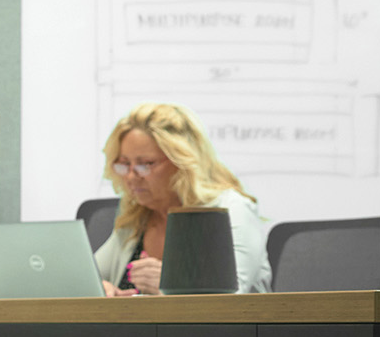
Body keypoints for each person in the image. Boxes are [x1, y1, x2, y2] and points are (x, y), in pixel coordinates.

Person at [92, 102, 271, 295]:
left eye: (145, 164)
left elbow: (231, 297)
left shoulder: (231, 210)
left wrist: (171, 287)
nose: (130, 176)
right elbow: (90, 277)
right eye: (124, 164)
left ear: (183, 163)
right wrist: (103, 288)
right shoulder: (138, 216)